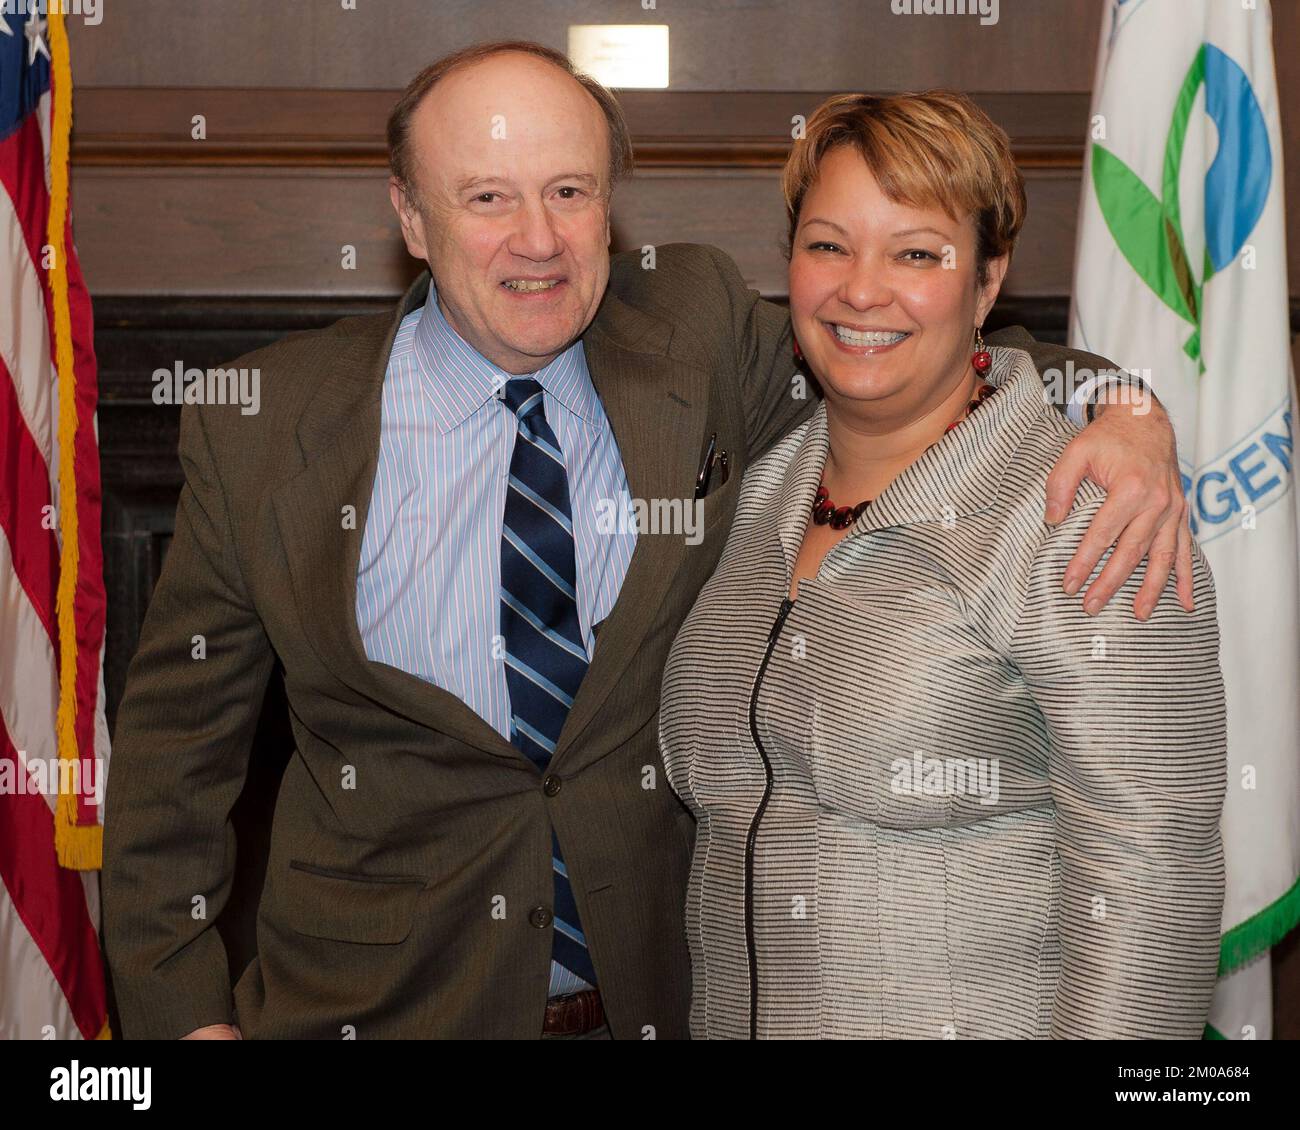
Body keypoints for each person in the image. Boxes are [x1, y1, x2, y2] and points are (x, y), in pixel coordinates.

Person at [102, 43, 1194, 1040]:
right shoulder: (268, 421)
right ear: (410, 217)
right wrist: (182, 1018)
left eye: (569, 191)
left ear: (609, 205)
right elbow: (172, 760)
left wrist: (1131, 410)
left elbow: (912, 347)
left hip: (666, 1004)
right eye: (488, 198)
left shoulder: (694, 336)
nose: (538, 238)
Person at [659, 91, 1226, 1039]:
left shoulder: (1089, 511)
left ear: (988, 279)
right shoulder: (759, 497)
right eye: (829, 245)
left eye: (916, 253)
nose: (861, 289)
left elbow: (1152, 873)